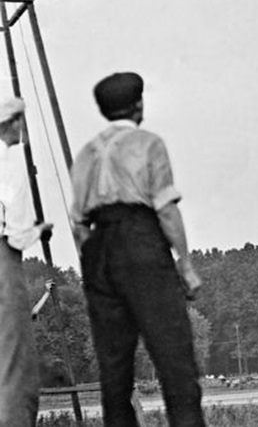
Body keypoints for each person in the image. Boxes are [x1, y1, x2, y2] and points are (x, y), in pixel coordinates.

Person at [70, 73, 205, 427]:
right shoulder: (149, 144)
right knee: (174, 359)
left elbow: (78, 223)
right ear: (139, 104)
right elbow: (165, 208)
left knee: (114, 369)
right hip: (141, 239)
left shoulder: (86, 154)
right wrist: (186, 264)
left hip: (98, 247)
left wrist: (96, 263)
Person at [0, 97, 52, 427]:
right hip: (4, 260)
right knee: (15, 363)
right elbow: (15, 232)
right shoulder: (6, 163)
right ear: (11, 124)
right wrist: (39, 232)